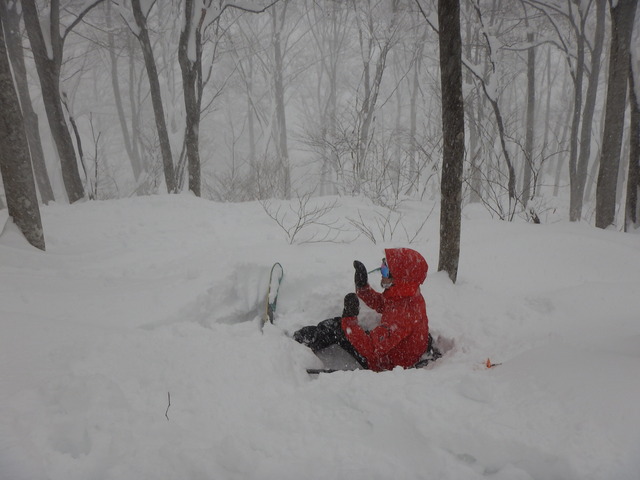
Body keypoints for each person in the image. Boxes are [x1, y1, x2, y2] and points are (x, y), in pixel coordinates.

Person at [293, 247, 432, 372]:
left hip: (385, 363)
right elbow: (383, 305)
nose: (381, 271)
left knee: (337, 328)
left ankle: (297, 345)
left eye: (385, 269)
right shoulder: (406, 296)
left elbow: (371, 349)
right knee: (343, 328)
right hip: (392, 351)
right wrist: (363, 288)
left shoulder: (403, 313)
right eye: (383, 264)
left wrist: (349, 320)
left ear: (400, 278)